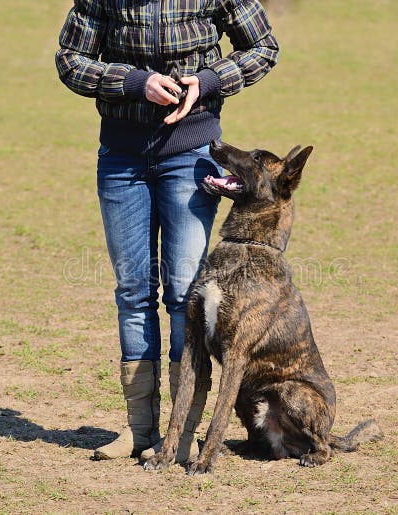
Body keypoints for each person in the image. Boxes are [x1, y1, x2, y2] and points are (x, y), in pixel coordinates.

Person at [55, 0, 279, 462]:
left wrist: (210, 80)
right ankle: (140, 432)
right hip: (121, 160)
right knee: (133, 291)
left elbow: (263, 47)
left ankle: (181, 434)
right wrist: (135, 83)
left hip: (190, 156)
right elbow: (70, 60)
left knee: (183, 294)